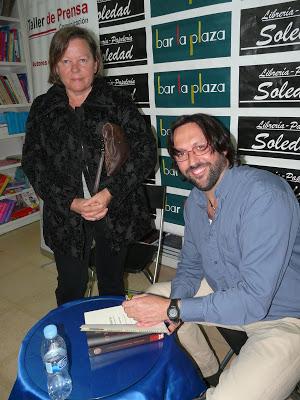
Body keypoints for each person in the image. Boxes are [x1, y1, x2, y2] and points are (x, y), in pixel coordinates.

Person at [123, 113, 300, 400]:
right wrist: (172, 306)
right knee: (158, 293)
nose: (191, 160)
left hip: (285, 319)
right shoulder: (194, 202)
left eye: (200, 147)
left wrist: (173, 309)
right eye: (181, 153)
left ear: (223, 148)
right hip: (229, 294)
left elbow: (255, 300)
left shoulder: (263, 195)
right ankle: (206, 373)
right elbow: (190, 267)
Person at [22, 26, 157, 306]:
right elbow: (33, 163)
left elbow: (145, 152)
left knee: (111, 284)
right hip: (65, 215)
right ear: (55, 67)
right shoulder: (43, 108)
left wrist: (109, 193)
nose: (75, 69)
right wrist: (70, 201)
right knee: (71, 286)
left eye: (82, 60)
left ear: (96, 63)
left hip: (114, 210)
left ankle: (112, 339)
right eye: (66, 61)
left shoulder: (117, 103)